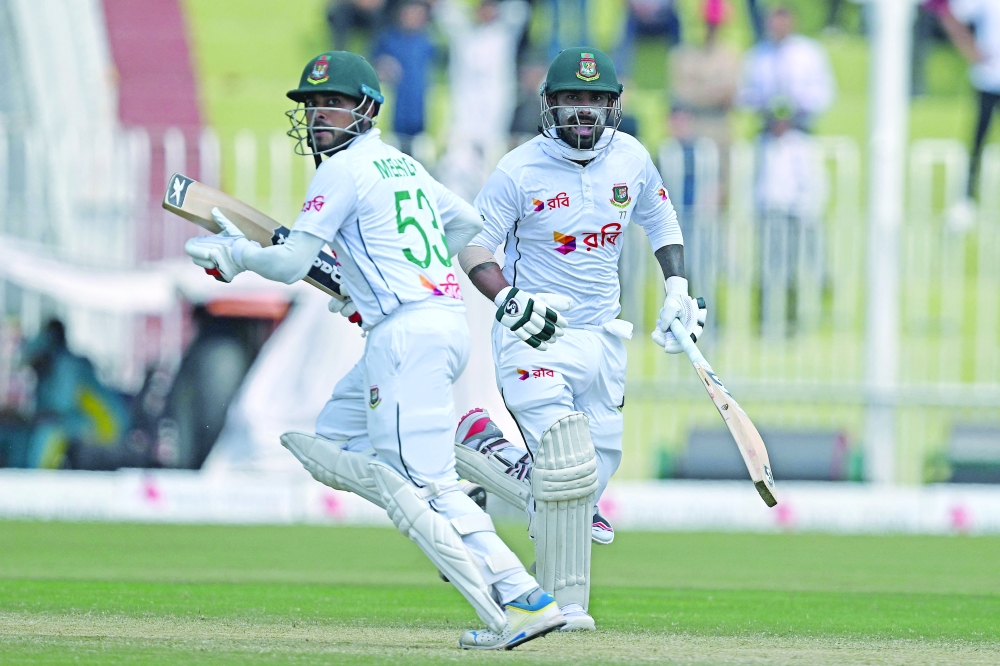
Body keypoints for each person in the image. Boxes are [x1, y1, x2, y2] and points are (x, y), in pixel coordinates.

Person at [183, 51, 565, 650]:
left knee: (424, 488)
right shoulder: (401, 165)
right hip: (429, 326)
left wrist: (235, 257)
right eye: (312, 107)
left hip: (405, 335)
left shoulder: (341, 170)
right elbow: (465, 224)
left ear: (367, 108)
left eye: (332, 103)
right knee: (332, 437)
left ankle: (520, 599)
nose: (319, 117)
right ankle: (434, 485)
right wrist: (378, 282)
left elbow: (288, 263)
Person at [452, 47, 706, 631]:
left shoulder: (633, 159)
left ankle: (484, 459)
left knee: (590, 481)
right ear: (550, 105)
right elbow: (472, 245)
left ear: (613, 106)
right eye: (572, 99)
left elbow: (662, 223)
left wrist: (676, 287)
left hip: (602, 337)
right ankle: (561, 611)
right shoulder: (519, 168)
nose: (584, 112)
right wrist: (507, 299)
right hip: (535, 332)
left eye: (596, 100)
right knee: (567, 478)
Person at [434, 0, 531, 201]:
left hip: (494, 120)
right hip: (464, 118)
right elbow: (444, 11)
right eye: (482, 9)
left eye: (490, 8)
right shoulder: (464, 35)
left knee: (491, 167)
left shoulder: (504, 34)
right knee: (457, 165)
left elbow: (520, 9)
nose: (486, 13)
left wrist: (497, 11)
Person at [0, 320, 130, 469]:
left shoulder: (65, 368)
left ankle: (33, 481)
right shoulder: (53, 368)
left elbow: (55, 415)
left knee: (46, 430)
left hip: (108, 429)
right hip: (84, 425)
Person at [932, 0, 1000, 205]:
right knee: (979, 137)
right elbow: (949, 13)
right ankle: (967, 196)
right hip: (989, 76)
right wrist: (968, 48)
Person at [738, 5, 836, 134]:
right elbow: (743, 94)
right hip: (767, 130)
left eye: (783, 22)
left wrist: (795, 106)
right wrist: (766, 105)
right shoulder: (757, 54)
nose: (779, 27)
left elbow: (825, 94)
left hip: (800, 130)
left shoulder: (809, 53)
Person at [372, 1, 437, 155]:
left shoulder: (428, 42)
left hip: (422, 120)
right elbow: (372, 67)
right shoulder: (387, 40)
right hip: (393, 119)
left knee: (421, 159)